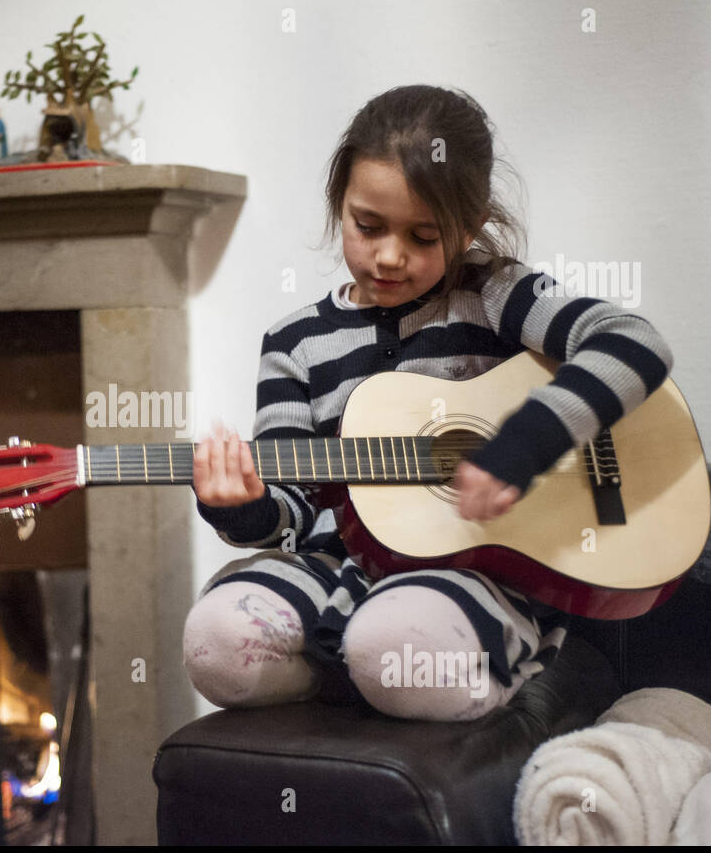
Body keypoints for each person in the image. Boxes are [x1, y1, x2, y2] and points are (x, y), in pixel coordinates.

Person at [186, 85, 673, 721]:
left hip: (472, 573)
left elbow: (634, 343)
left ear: (468, 227)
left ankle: (391, 660)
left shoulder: (493, 294)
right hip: (335, 568)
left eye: (424, 236)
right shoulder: (292, 344)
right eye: (368, 227)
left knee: (399, 644)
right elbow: (291, 517)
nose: (389, 256)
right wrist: (245, 508)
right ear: (340, 207)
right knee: (215, 642)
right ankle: (356, 664)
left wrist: (523, 446)